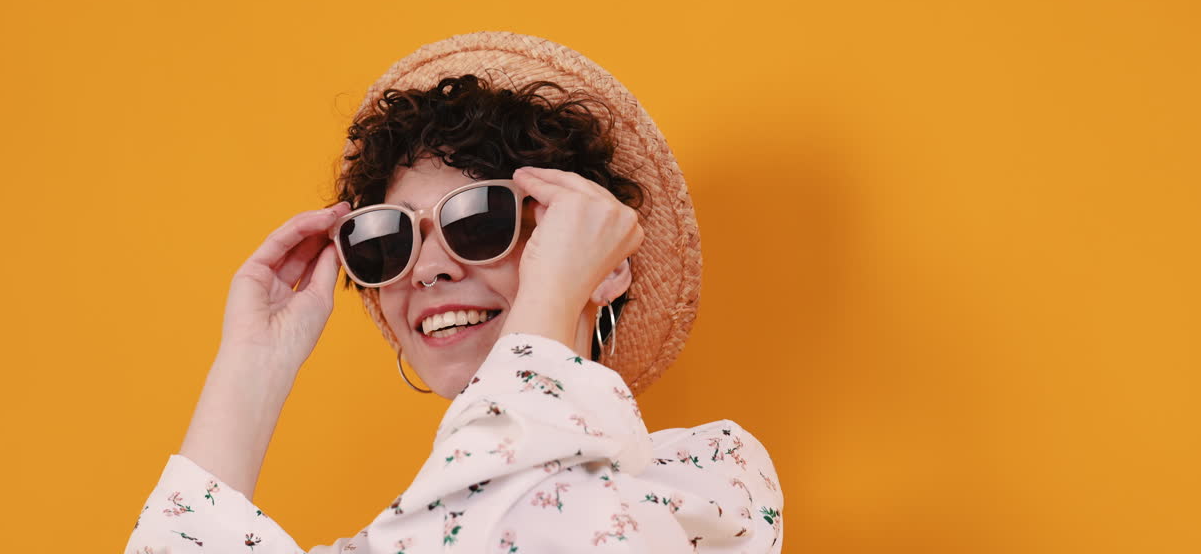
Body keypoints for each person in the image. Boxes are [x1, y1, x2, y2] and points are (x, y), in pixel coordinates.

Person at [124, 31, 784, 553]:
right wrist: (251, 368)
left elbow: (533, 521)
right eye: (389, 238)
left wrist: (552, 299)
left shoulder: (706, 482)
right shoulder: (397, 538)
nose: (426, 270)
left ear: (600, 262)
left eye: (480, 221)